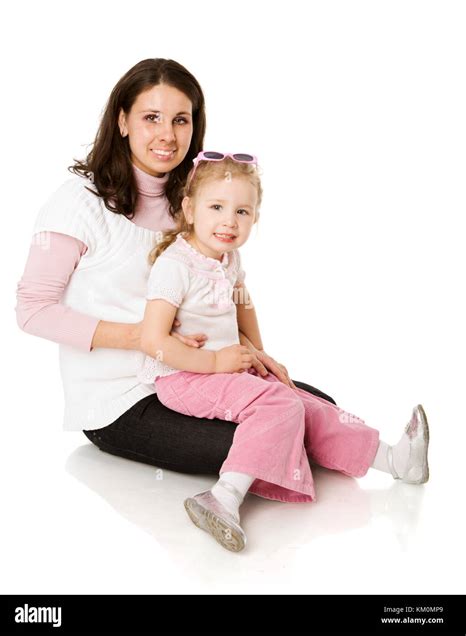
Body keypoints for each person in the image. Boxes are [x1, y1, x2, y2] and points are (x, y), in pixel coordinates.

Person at [14, 58, 337, 477]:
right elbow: (33, 310)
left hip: (199, 377)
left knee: (318, 413)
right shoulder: (77, 203)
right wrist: (150, 339)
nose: (167, 135)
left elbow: (230, 286)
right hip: (121, 400)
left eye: (181, 120)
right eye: (152, 118)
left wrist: (251, 350)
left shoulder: (194, 202)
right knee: (271, 438)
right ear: (123, 122)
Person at [138, 151, 430, 552]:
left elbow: (241, 302)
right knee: (280, 407)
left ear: (255, 218)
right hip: (185, 376)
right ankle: (223, 497)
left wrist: (258, 353)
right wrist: (214, 361)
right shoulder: (175, 266)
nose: (229, 221)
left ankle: (397, 461)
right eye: (217, 207)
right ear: (189, 209)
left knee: (305, 404)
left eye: (242, 211)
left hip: (227, 371)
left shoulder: (229, 258)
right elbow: (153, 340)